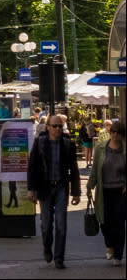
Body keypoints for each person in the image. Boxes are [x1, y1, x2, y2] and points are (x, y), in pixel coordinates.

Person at [27, 113, 81, 269]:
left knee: (61, 224)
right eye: (55, 126)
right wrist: (31, 189)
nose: (58, 129)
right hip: (45, 187)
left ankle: (59, 258)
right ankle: (47, 246)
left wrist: (76, 192)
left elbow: (74, 169)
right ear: (48, 127)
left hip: (61, 187)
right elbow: (32, 167)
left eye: (60, 126)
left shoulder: (67, 144)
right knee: (46, 224)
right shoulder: (40, 142)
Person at [87, 119, 126, 266]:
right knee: (104, 222)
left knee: (119, 223)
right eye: (113, 132)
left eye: (118, 132)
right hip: (104, 191)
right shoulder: (101, 148)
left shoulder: (125, 149)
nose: (115, 135)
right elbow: (95, 168)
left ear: (122, 134)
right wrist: (89, 187)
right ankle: (109, 244)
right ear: (110, 132)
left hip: (120, 191)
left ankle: (118, 255)